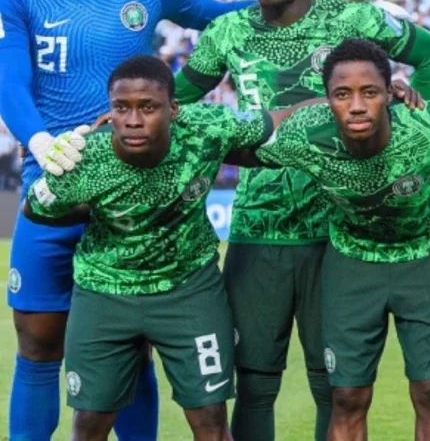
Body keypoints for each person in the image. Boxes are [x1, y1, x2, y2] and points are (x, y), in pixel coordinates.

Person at [170, 0, 430, 441]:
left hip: (336, 229)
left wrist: (412, 124)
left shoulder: (352, 20)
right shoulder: (226, 32)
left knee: (334, 384)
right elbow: (173, 101)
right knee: (253, 382)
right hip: (258, 225)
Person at [0, 0, 251, 440]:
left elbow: (223, 16)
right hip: (57, 179)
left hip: (140, 184)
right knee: (39, 343)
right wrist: (41, 141)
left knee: (132, 341)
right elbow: (8, 74)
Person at [241, 38, 430, 440]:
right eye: (342, 95)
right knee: (348, 397)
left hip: (426, 262)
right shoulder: (307, 133)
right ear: (326, 99)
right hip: (352, 265)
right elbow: (235, 144)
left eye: (369, 92)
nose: (356, 105)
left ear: (390, 94)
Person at [20, 56, 307, 441]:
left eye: (148, 107)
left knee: (210, 422)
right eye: (121, 108)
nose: (133, 120)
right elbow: (34, 209)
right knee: (88, 428)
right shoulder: (83, 158)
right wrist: (91, 206)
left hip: (189, 291)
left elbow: (281, 117)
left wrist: (347, 100)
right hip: (105, 292)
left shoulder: (207, 128)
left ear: (174, 109)